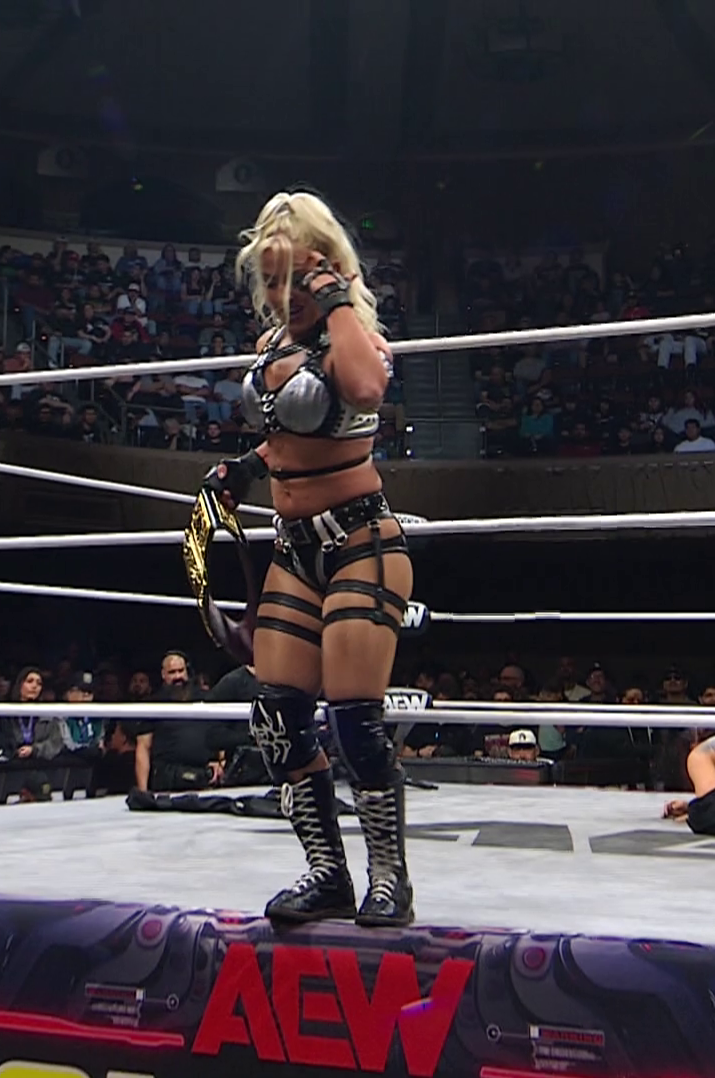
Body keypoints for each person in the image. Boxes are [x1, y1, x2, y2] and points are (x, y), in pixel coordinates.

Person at [201, 190, 412, 927]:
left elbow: (365, 392)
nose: (280, 294)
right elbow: (289, 434)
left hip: (359, 542)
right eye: (270, 280)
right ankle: (327, 873)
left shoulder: (353, 335)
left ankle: (389, 878)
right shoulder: (272, 345)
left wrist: (338, 301)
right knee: (278, 719)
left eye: (293, 277)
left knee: (355, 721)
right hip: (294, 548)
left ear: (322, 268)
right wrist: (246, 467)